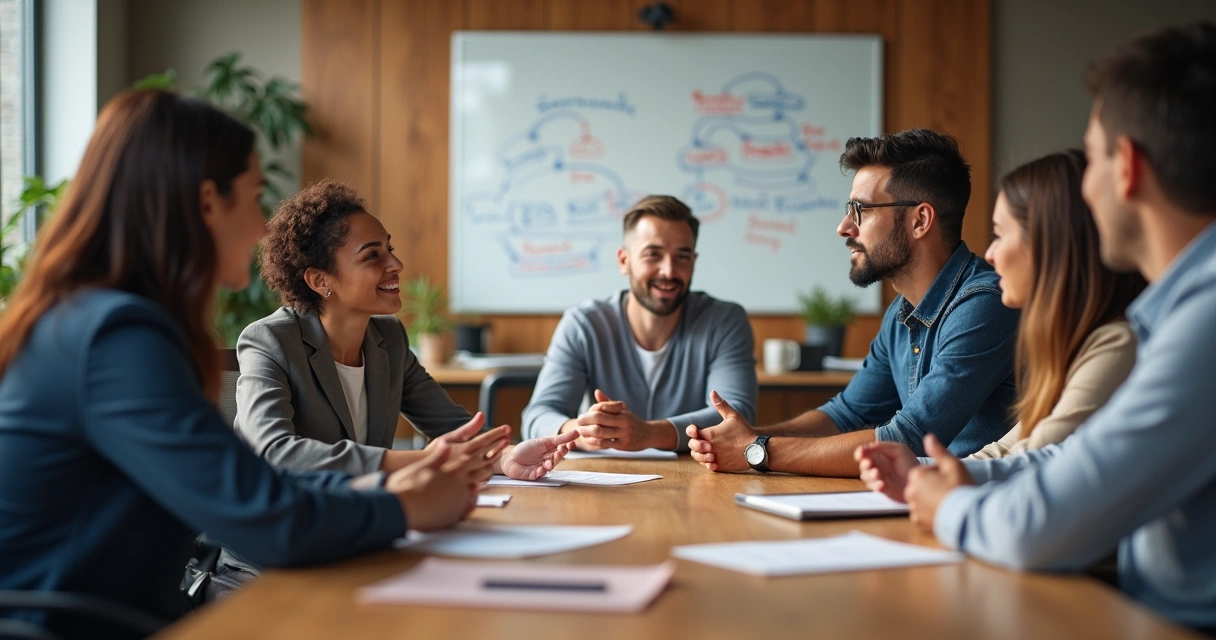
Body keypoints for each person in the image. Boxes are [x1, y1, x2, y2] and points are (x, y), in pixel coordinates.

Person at [0, 90, 485, 639]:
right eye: (254, 199)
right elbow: (265, 516)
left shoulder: (93, 321)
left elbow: (251, 488)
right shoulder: (117, 337)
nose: (261, 230)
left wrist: (392, 490)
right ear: (208, 202)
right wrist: (402, 505)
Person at [895, 22, 1216, 632]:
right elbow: (1080, 456)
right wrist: (968, 477)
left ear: (1126, 168)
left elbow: (1039, 529)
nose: (1083, 194)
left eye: (1090, 158)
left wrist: (951, 504)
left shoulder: (1207, 316)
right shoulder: (1179, 310)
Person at [688, 128, 1020, 476]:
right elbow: (845, 414)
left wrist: (758, 452)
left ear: (920, 221)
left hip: (979, 506)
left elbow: (907, 439)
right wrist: (751, 438)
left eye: (860, 210)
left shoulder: (985, 305)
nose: (844, 227)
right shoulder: (901, 313)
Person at [236, 178, 576, 479]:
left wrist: (504, 456)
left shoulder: (389, 338)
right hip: (281, 539)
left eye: (390, 250)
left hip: (357, 527)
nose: (395, 265)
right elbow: (274, 451)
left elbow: (452, 426)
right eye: (372, 256)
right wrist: (421, 461)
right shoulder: (270, 341)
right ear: (320, 280)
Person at [855, 150, 1145, 500]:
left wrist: (936, 491)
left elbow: (1038, 469)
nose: (989, 254)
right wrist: (920, 472)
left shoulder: (1115, 345)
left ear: (1052, 246)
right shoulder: (1072, 349)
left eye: (1000, 235)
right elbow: (1010, 454)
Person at [521, 195, 757, 452]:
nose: (668, 270)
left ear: (694, 262)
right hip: (604, 483)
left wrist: (649, 434)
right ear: (624, 261)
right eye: (653, 255)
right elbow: (537, 416)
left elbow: (736, 416)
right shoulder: (584, 324)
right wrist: (585, 432)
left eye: (682, 256)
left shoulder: (724, 321)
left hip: (694, 480)